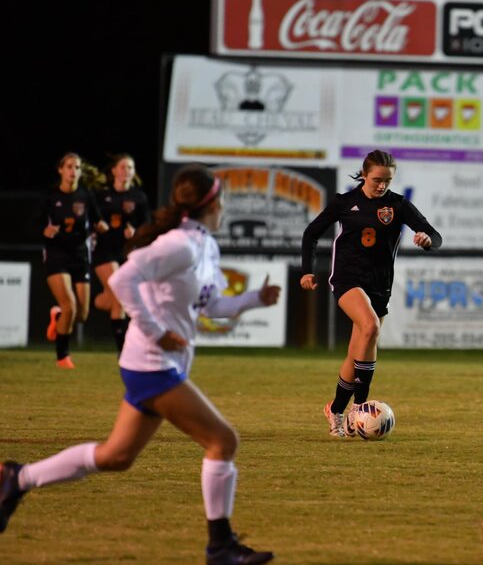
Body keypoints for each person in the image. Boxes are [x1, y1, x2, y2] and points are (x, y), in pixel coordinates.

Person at [1, 164, 280, 564]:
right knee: (223, 441)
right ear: (210, 203)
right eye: (221, 199)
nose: (224, 206)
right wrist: (155, 330)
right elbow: (122, 280)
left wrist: (256, 298)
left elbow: (213, 306)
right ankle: (220, 546)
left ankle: (18, 478)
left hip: (160, 363)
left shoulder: (205, 247)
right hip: (152, 362)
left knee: (115, 457)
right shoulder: (178, 245)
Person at [300, 150, 442, 438]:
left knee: (358, 351)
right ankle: (360, 407)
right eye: (377, 179)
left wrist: (427, 240)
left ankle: (336, 410)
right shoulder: (345, 202)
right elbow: (311, 233)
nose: (381, 185)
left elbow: (434, 235)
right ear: (364, 174)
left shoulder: (398, 205)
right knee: (370, 326)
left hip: (380, 286)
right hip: (347, 280)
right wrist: (307, 270)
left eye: (387, 180)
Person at [41, 152, 109, 369]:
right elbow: (31, 224)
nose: (73, 171)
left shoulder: (86, 195)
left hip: (80, 255)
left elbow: (98, 220)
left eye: (77, 167)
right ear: (60, 170)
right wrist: (45, 230)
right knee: (69, 305)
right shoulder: (51, 196)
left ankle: (58, 315)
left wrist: (101, 226)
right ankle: (63, 357)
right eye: (69, 166)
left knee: (81, 314)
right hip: (56, 255)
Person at [91, 153, 150, 354]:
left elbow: (147, 226)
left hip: (127, 253)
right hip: (105, 251)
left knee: (113, 299)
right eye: (123, 167)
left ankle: (77, 307)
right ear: (114, 171)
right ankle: (123, 352)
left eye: (130, 168)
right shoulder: (101, 195)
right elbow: (89, 219)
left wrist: (136, 233)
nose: (127, 171)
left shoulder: (138, 196)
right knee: (119, 296)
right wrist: (96, 226)